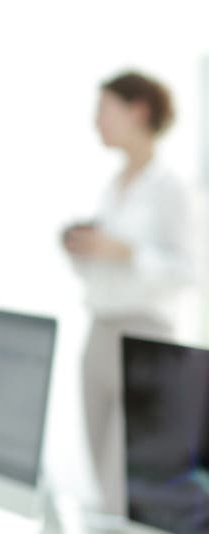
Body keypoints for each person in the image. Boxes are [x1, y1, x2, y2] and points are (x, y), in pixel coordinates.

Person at [61, 71, 195, 519]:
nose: (96, 121)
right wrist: (84, 250)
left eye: (104, 110)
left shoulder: (171, 188)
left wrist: (125, 252)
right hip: (100, 332)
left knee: (126, 484)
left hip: (146, 336)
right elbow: (106, 268)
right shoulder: (113, 186)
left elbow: (190, 270)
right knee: (101, 479)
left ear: (138, 111)